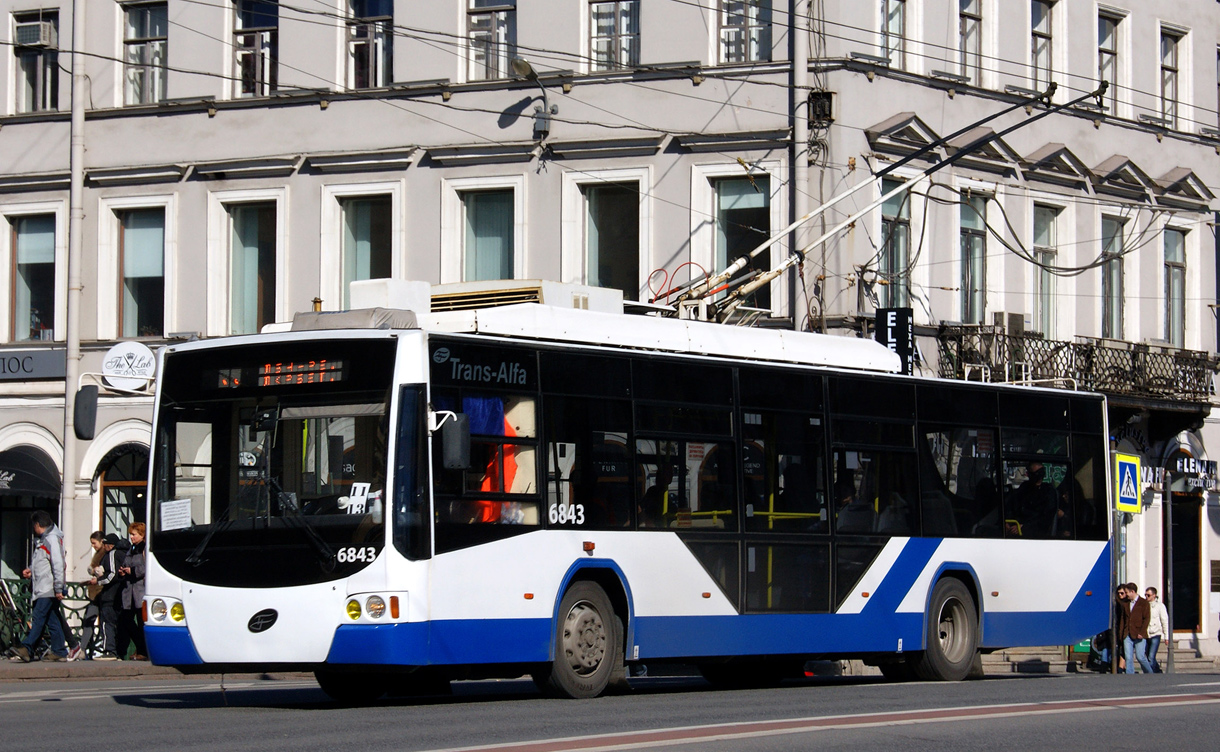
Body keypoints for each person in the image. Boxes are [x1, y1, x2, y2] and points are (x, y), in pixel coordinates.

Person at [9, 511, 67, 663]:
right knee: (51, 619)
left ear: (37, 525)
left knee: (39, 616)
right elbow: (43, 561)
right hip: (44, 585)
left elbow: (58, 564)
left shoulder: (52, 539)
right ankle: (59, 650)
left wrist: (59, 587)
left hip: (47, 586)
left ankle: (27, 648)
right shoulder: (46, 539)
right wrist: (31, 569)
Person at [79, 532, 120, 661]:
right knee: (92, 620)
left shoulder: (109, 554)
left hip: (102, 593)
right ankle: (84, 649)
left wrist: (97, 576)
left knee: (103, 622)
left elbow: (110, 573)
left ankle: (107, 650)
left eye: (94, 543)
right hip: (98, 593)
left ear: (102, 542)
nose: (93, 546)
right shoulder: (103, 554)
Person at [116, 522, 147, 661]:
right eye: (130, 534)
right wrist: (123, 571)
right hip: (129, 591)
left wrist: (133, 571)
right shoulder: (131, 549)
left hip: (141, 590)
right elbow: (126, 563)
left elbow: (146, 567)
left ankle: (143, 650)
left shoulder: (144, 548)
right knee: (126, 619)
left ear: (142, 535)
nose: (131, 537)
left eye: (134, 534)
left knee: (141, 622)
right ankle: (140, 647)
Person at [1014, 462, 1058, 538]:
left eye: (1040, 472)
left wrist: (1024, 527)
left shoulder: (1048, 491)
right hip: (1016, 527)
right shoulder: (1024, 488)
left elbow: (1046, 518)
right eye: (1036, 473)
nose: (1039, 476)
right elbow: (1014, 506)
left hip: (1036, 535)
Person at [1122, 582, 1153, 674]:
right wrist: (1122, 633)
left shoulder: (1143, 603)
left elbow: (1146, 618)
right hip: (1127, 633)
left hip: (1139, 633)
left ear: (1132, 591)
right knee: (1128, 657)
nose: (1126, 595)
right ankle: (1130, 674)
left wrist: (1142, 632)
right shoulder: (1126, 603)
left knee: (1140, 657)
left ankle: (1149, 672)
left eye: (1127, 592)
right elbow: (1123, 619)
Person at [1145, 585, 1169, 673]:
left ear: (1154, 595)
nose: (1146, 597)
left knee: (1151, 656)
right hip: (1146, 633)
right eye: (1146, 595)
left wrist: (1167, 636)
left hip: (1156, 634)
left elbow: (1164, 621)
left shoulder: (1160, 606)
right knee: (1147, 656)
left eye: (1148, 595)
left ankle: (1150, 673)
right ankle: (1157, 670)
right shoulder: (1144, 605)